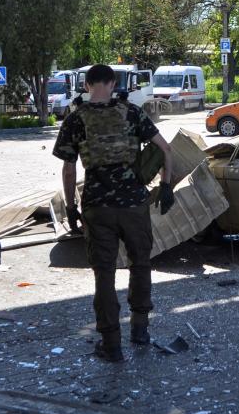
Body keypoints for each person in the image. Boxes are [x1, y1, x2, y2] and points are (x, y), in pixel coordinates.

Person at [54, 64, 174, 362]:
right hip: (134, 204)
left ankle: (111, 344)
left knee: (104, 275)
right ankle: (140, 330)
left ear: (86, 84)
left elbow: (69, 169)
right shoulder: (132, 112)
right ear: (112, 82)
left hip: (97, 207)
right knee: (141, 263)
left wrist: (70, 207)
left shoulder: (75, 118)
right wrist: (167, 186)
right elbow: (165, 149)